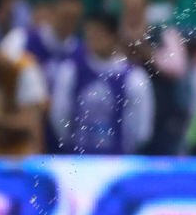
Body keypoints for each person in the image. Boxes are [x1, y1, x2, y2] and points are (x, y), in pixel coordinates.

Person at [50, 12, 153, 155]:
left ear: (114, 36)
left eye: (100, 34)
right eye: (90, 33)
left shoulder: (133, 77)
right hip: (78, 158)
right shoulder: (71, 70)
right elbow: (60, 115)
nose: (94, 39)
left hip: (117, 160)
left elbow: (141, 129)